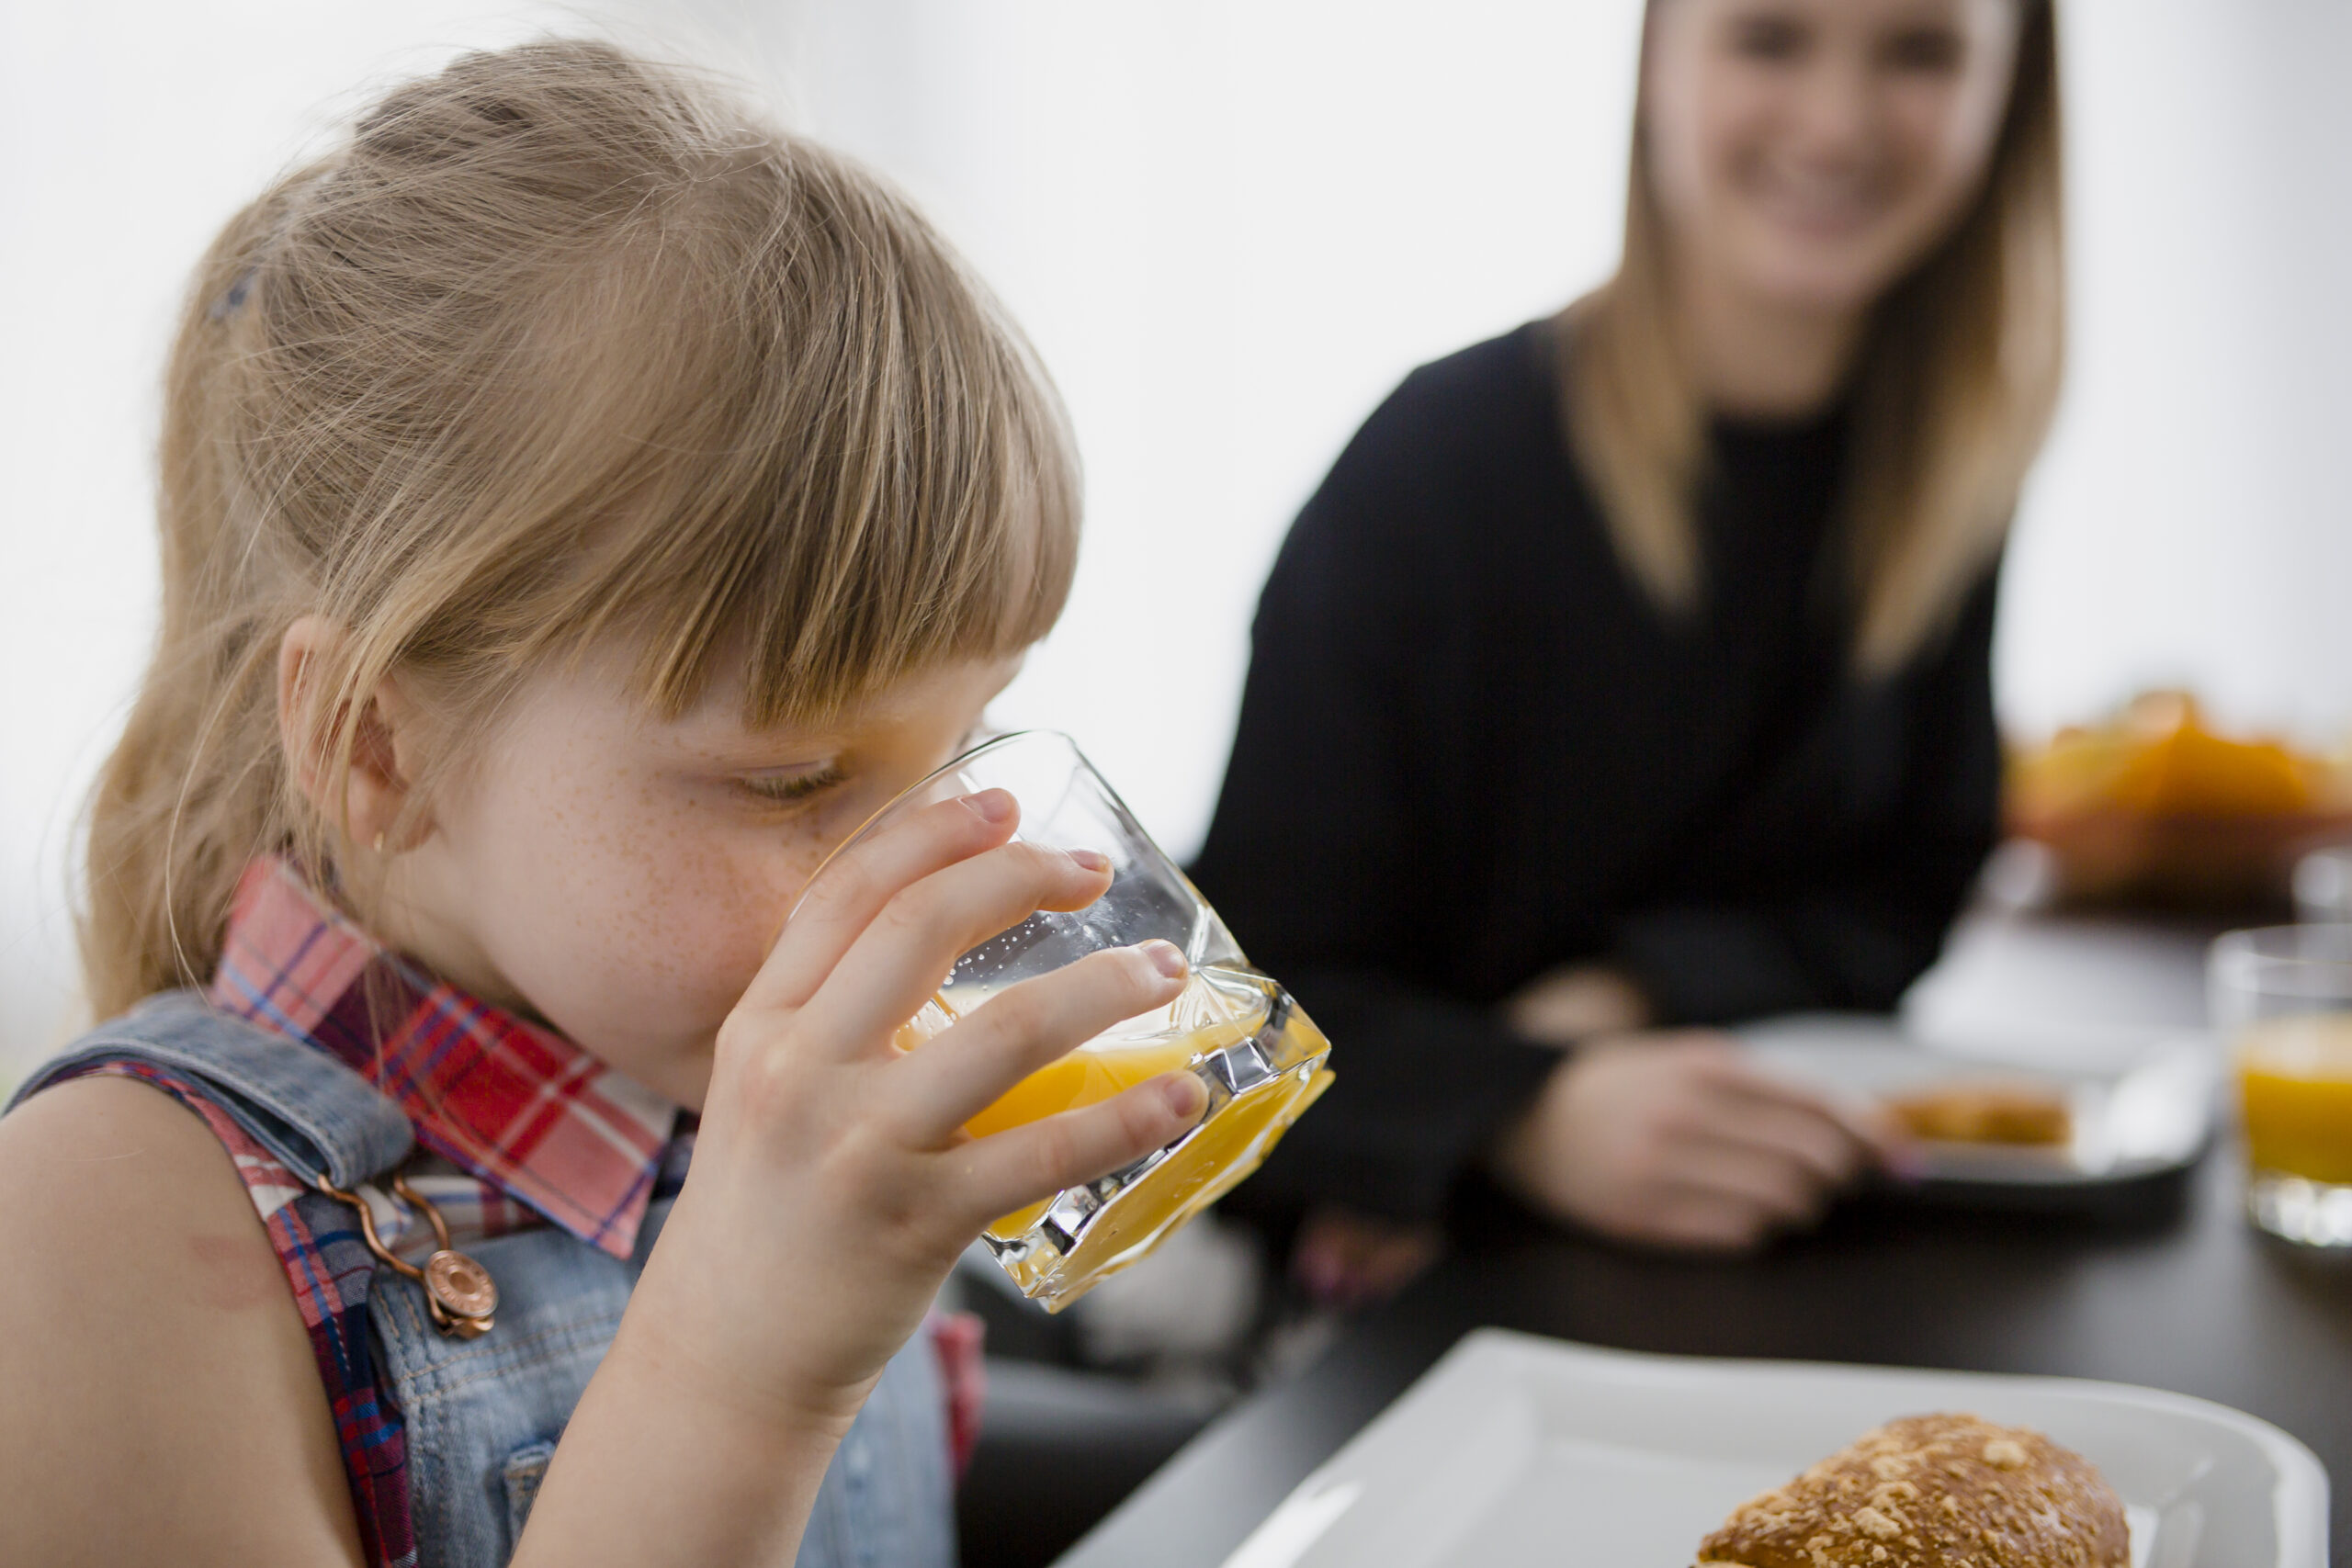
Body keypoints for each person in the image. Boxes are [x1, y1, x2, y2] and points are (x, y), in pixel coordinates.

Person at [0, 40, 1211, 1568]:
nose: (920, 870)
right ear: (385, 749)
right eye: (796, 779)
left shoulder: (691, 1065)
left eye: (972, 736)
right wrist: (746, 1368)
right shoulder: (108, 1225)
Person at [1193, 0, 2064, 1286]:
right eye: (1771, 38)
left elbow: (1907, 885)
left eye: (1921, 52)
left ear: (2010, 102)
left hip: (1750, 1256)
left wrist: (1622, 997)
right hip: (1405, 1305)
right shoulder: (1432, 471)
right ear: (1659, 62)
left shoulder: (1941, 467)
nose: (1836, 123)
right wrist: (1521, 1109)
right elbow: (1226, 1028)